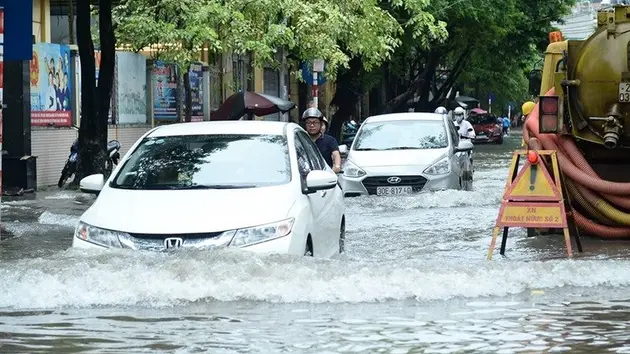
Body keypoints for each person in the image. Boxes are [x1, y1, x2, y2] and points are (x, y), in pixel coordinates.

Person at [301, 107, 342, 173]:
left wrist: (336, 167)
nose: (312, 125)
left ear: (321, 124)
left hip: (325, 175)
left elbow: (336, 155)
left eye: (315, 122)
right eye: (308, 123)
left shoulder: (330, 140)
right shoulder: (300, 140)